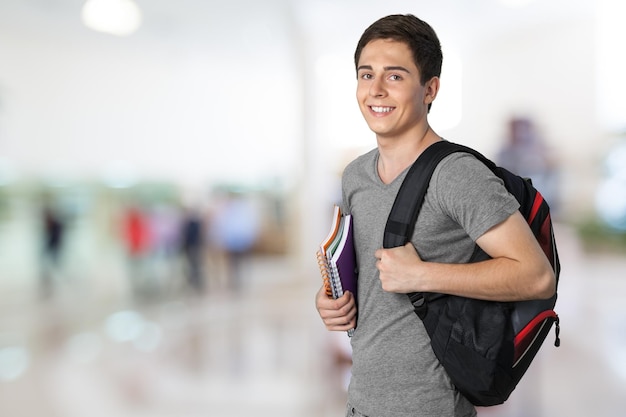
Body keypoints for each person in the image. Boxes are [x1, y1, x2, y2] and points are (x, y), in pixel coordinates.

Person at [314, 14, 556, 417]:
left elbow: (536, 275)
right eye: (365, 74)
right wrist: (331, 302)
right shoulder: (356, 175)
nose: (375, 90)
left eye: (394, 77)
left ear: (430, 89)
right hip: (361, 403)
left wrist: (422, 274)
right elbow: (371, 282)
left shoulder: (456, 174)